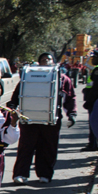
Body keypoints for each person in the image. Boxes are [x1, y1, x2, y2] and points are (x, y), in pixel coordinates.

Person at [11, 52, 76, 184]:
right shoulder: (28, 76)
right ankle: (20, 174)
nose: (46, 60)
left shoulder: (63, 79)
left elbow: (70, 97)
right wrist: (12, 107)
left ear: (54, 62)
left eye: (49, 59)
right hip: (29, 118)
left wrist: (72, 114)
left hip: (51, 120)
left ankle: (45, 174)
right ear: (39, 62)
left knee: (48, 148)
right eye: (43, 59)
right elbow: (18, 93)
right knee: (26, 147)